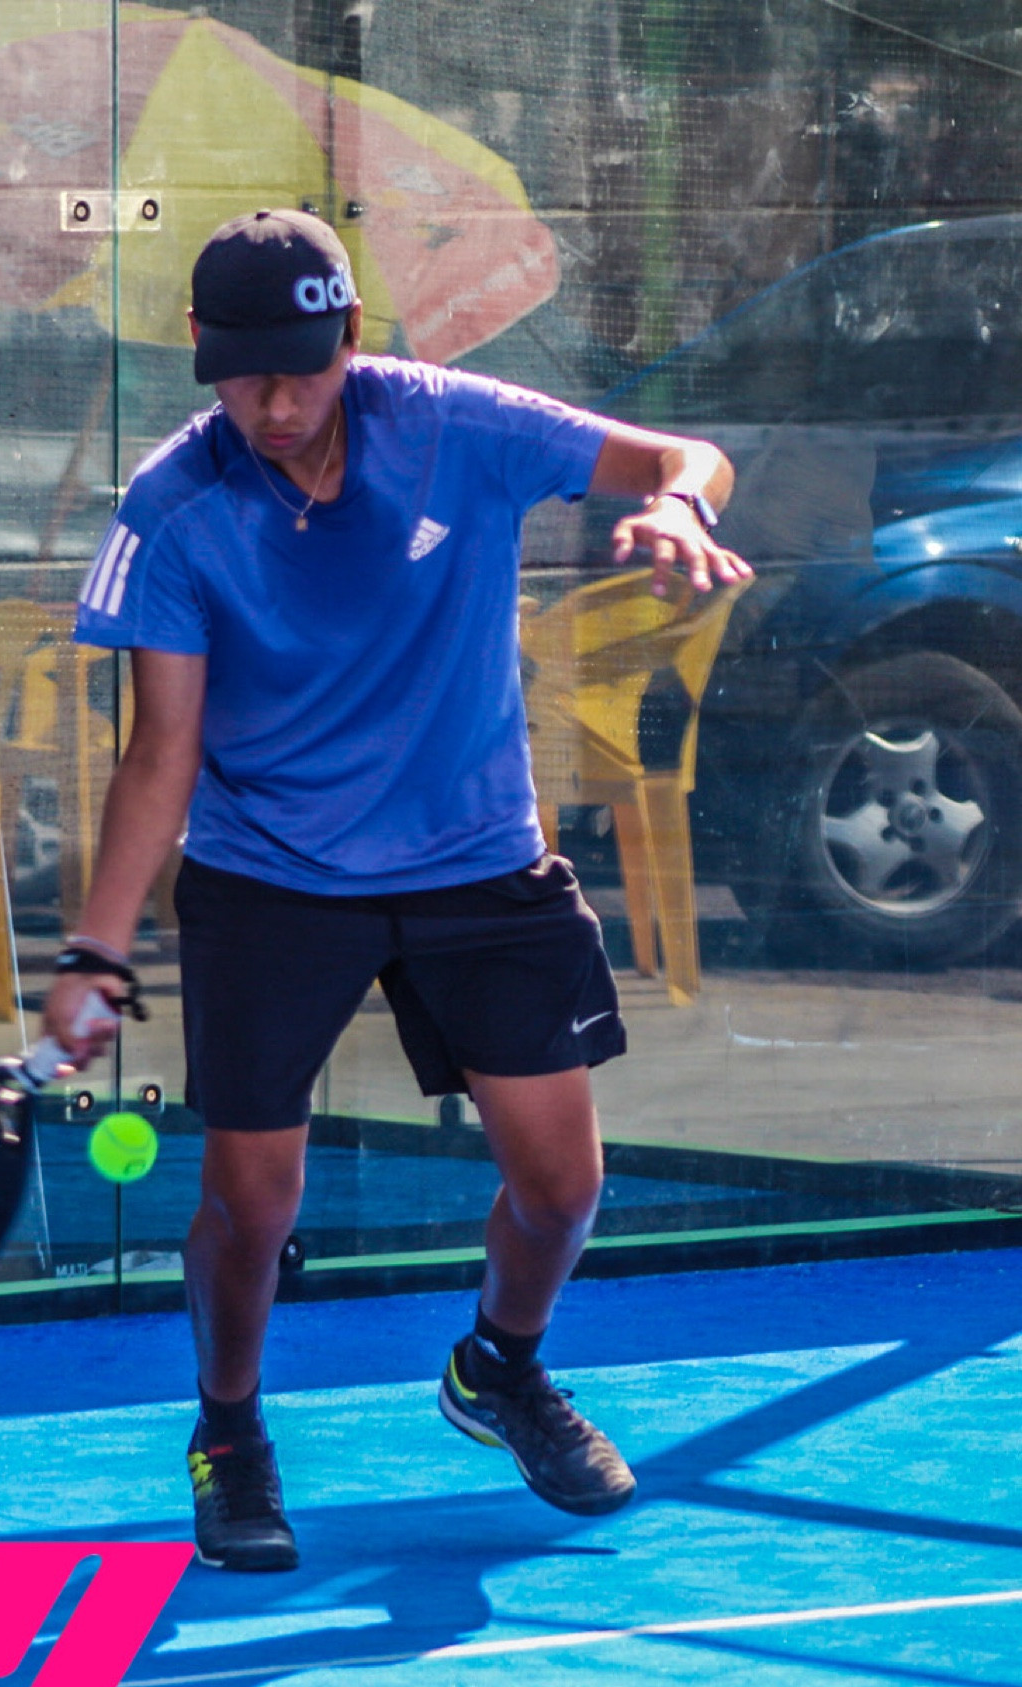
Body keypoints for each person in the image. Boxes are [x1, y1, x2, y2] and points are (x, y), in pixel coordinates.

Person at [43, 209, 753, 1573]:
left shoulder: (452, 424)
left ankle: (501, 1368)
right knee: (253, 1203)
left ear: (351, 339)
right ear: (200, 351)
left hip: (478, 863)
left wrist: (677, 501)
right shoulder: (172, 509)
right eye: (245, 376)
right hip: (270, 878)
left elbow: (684, 456)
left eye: (303, 370)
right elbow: (161, 752)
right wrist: (95, 952)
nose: (276, 403)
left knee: (562, 1188)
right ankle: (230, 1431)